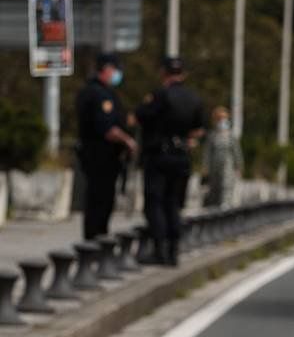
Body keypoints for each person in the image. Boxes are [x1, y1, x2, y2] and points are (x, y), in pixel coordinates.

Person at [136, 56, 205, 266]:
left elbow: (141, 116)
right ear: (183, 74)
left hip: (159, 156)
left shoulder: (160, 95)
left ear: (164, 73)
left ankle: (160, 250)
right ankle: (174, 250)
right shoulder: (194, 99)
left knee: (155, 202)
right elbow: (199, 130)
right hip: (182, 156)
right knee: (174, 203)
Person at [75, 53, 137, 240]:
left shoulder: (95, 91)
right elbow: (108, 129)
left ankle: (96, 239)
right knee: (100, 201)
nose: (118, 74)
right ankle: (95, 241)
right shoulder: (99, 94)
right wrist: (128, 141)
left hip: (100, 157)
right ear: (107, 69)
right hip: (101, 156)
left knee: (101, 200)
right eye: (116, 69)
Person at [202, 107, 242, 208]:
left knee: (226, 186)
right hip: (214, 166)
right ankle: (213, 208)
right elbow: (207, 153)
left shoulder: (231, 136)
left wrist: (238, 166)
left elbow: (236, 152)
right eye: (219, 118)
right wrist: (205, 167)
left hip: (228, 165)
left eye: (224, 118)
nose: (222, 121)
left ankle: (225, 206)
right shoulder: (212, 136)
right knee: (214, 188)